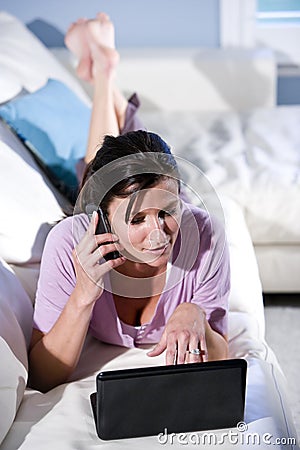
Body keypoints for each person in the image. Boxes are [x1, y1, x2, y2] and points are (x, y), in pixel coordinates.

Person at [29, 13, 230, 393]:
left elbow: (222, 357)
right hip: (95, 202)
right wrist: (84, 293)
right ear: (101, 221)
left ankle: (106, 75)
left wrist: (196, 314)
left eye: (167, 212)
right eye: (137, 219)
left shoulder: (201, 233)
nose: (158, 234)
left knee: (120, 166)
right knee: (94, 171)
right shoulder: (69, 242)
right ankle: (105, 75)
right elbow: (42, 377)